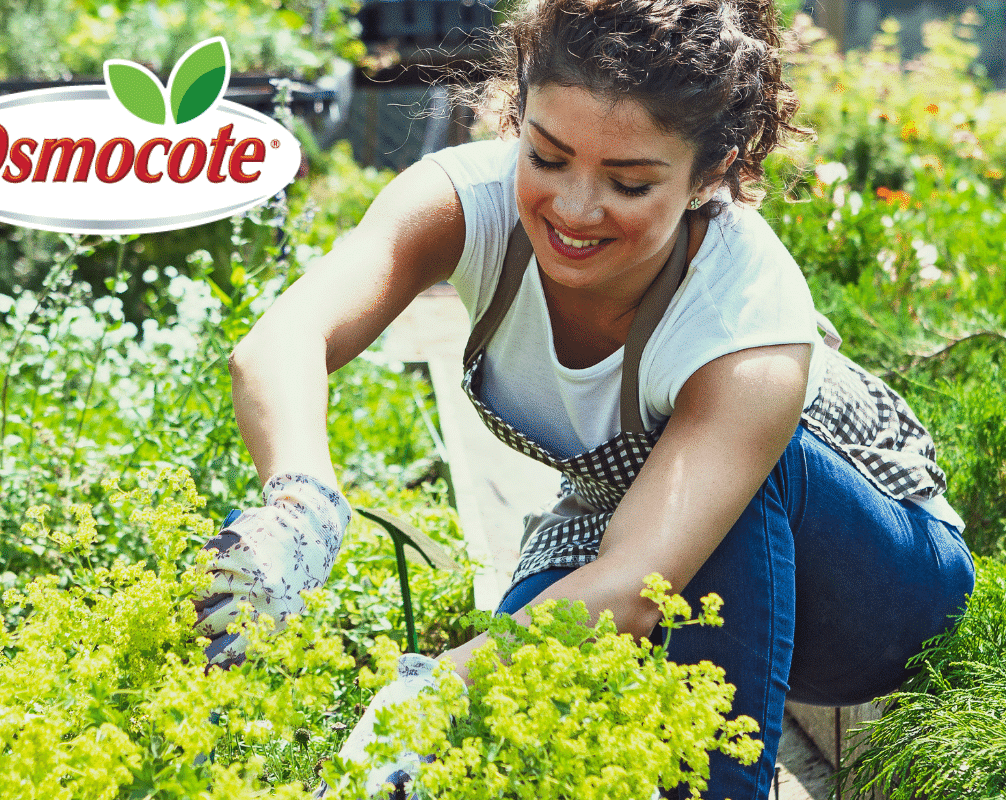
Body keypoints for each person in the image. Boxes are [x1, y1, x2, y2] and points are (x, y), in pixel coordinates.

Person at [193, 0, 977, 796]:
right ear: (518, 116)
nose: (572, 208)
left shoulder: (746, 315)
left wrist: (430, 692)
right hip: (631, 529)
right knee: (515, 708)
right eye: (548, 155)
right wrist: (302, 500)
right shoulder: (470, 206)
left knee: (538, 649)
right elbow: (281, 342)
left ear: (711, 174)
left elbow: (639, 583)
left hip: (874, 590)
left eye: (629, 183)